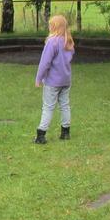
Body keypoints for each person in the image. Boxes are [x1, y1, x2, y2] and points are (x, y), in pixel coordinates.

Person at [34, 15, 75, 144]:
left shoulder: (52, 42)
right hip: (66, 80)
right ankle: (65, 132)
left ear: (54, 27)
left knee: (48, 107)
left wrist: (39, 78)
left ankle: (41, 135)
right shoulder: (68, 41)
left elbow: (45, 62)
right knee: (65, 105)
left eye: (50, 25)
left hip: (52, 81)